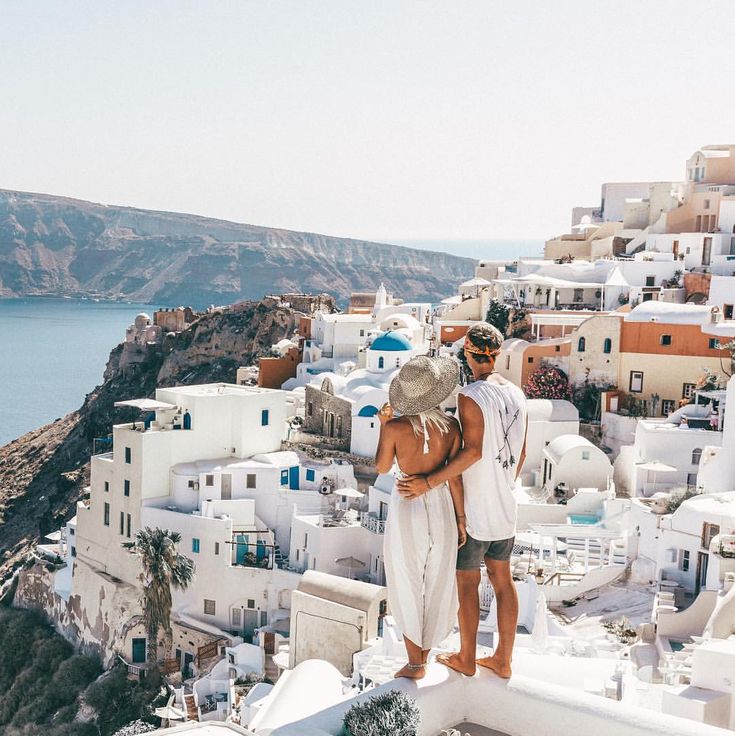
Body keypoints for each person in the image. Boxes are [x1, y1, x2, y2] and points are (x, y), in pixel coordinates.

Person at [398, 322, 527, 679]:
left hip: (475, 508)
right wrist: (503, 484)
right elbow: (522, 453)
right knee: (503, 581)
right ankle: (503, 660)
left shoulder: (470, 396)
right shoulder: (518, 395)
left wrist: (428, 482)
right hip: (506, 504)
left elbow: (471, 453)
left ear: (469, 355)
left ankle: (466, 657)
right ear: (497, 355)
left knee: (467, 582)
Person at [376, 355, 466, 680]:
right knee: (438, 578)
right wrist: (460, 518)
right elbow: (454, 477)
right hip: (441, 502)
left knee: (407, 579)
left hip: (407, 504)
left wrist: (384, 426)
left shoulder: (397, 428)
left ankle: (415, 663)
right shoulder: (452, 427)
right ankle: (424, 657)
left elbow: (382, 467)